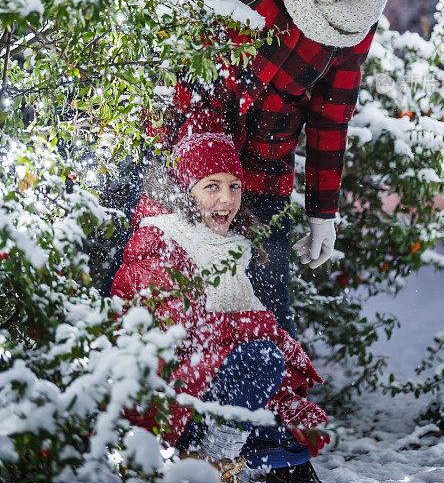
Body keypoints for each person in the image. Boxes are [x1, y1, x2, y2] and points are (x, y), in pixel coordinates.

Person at [136, 0, 396, 336]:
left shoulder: (357, 20)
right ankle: (166, 408)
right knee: (167, 305)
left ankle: (266, 418)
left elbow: (331, 118)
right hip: (190, 152)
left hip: (262, 180)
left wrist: (323, 212)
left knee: (264, 319)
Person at [111, 131, 329, 483]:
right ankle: (211, 462)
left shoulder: (229, 248)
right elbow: (182, 335)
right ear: (185, 191)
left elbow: (233, 338)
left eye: (234, 186)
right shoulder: (159, 240)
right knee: (263, 358)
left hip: (210, 392)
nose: (227, 199)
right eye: (211, 186)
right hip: (170, 398)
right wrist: (257, 330)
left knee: (295, 438)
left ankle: (219, 449)